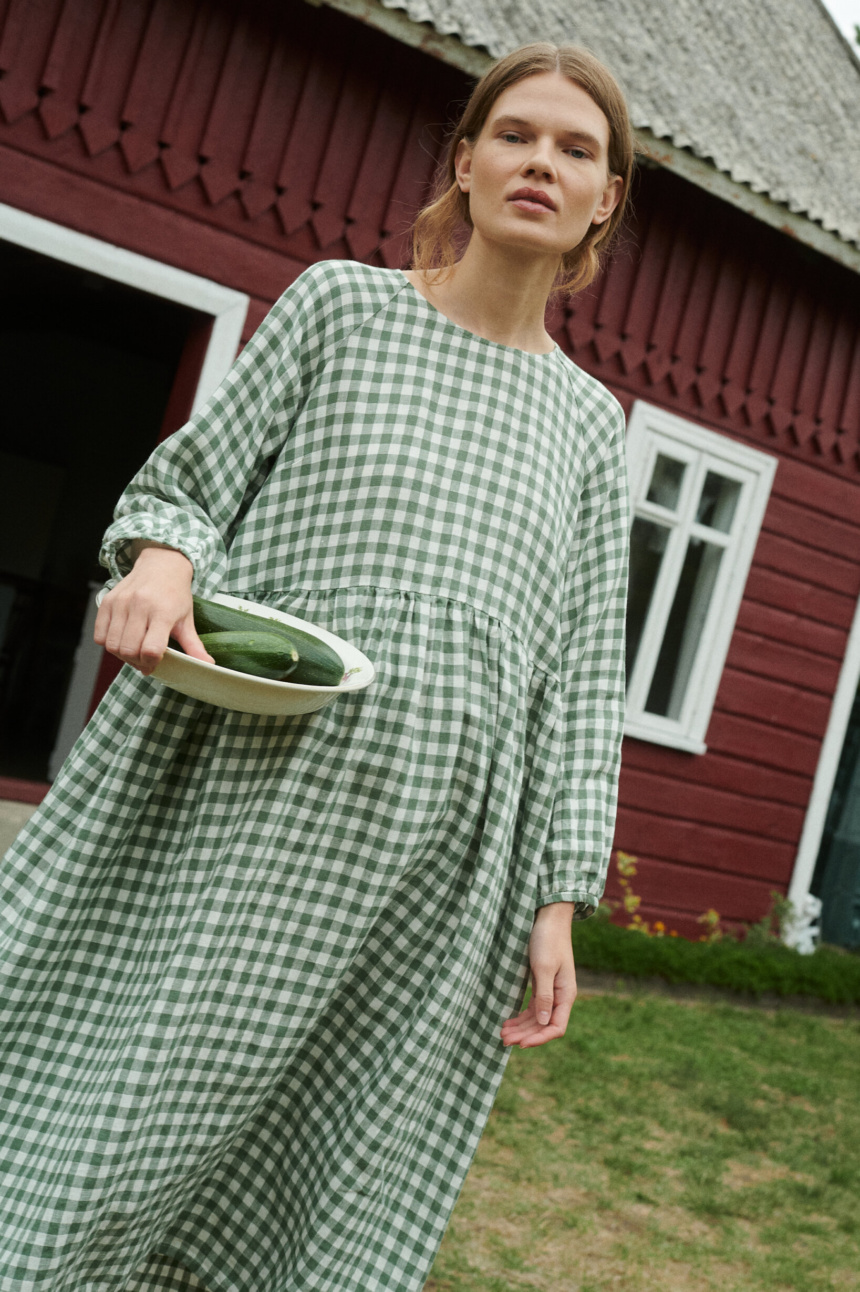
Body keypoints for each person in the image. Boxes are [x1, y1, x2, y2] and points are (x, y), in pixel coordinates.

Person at [0, 40, 633, 1292]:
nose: (538, 164)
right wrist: (166, 562)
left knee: (335, 1140)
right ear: (463, 161)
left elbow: (582, 674)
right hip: (255, 783)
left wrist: (556, 893)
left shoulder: (590, 425)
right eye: (513, 135)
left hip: (438, 851)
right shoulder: (342, 306)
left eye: (574, 150)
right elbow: (191, 481)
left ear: (603, 198)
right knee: (146, 1089)